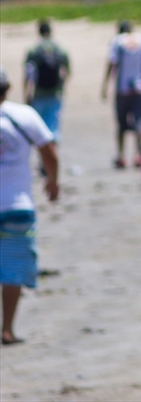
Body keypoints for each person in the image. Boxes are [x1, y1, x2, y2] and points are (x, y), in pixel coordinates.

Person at [0, 67, 59, 345]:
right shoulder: (24, 114)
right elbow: (50, 152)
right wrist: (53, 184)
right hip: (17, 205)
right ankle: (7, 329)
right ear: (8, 88)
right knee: (11, 270)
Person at [101, 20, 141, 168]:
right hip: (140, 87)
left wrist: (105, 85)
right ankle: (139, 155)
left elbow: (111, 63)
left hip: (123, 90)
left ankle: (121, 156)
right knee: (139, 122)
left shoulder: (117, 41)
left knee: (121, 124)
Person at [24, 19, 70, 143]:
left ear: (39, 32)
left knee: (39, 130)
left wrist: (27, 94)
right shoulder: (60, 49)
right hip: (55, 93)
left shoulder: (34, 50)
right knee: (53, 128)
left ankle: (43, 160)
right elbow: (67, 71)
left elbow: (28, 75)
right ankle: (52, 159)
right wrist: (61, 86)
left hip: (38, 94)